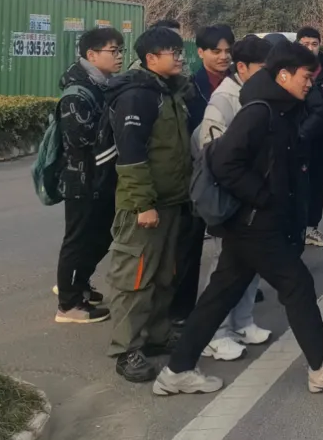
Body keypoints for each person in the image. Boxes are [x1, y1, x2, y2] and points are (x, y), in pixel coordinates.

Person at [152, 41, 323, 397]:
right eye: (305, 77)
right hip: (255, 223)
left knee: (220, 295)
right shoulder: (259, 112)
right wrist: (263, 198)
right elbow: (224, 162)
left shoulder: (283, 109)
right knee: (297, 284)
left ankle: (177, 370)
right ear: (283, 75)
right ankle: (321, 365)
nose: (310, 83)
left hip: (256, 222)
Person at [104, 26, 193, 383]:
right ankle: (126, 350)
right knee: (134, 279)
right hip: (143, 205)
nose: (180, 57)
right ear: (151, 58)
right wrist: (143, 204)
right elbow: (131, 154)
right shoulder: (138, 96)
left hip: (170, 201)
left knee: (163, 276)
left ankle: (157, 334)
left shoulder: (168, 91)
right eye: (173, 52)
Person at [191, 34, 273, 361]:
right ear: (243, 68)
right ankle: (215, 334)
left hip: (250, 195)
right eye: (264, 69)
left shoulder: (256, 94)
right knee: (222, 269)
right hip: (228, 197)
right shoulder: (224, 99)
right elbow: (213, 152)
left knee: (250, 263)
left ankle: (242, 321)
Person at [53, 27, 125, 325]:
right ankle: (68, 305)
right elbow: (81, 140)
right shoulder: (77, 93)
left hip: (99, 179)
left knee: (102, 235)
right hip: (81, 180)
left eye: (121, 50)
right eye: (113, 51)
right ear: (91, 55)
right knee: (78, 240)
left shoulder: (101, 85)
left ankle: (78, 284)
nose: (119, 56)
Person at [170, 24, 236, 327]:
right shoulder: (189, 88)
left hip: (228, 173)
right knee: (189, 244)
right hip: (196, 173)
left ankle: (230, 294)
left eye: (227, 50)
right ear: (200, 52)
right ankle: (181, 310)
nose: (223, 56)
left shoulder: (238, 83)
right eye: (216, 51)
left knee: (231, 241)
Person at [296, 27, 323, 247]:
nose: (310, 48)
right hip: (297, 138)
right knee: (296, 185)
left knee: (317, 184)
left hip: (322, 138)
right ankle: (295, 228)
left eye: (314, 44)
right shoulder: (289, 68)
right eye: (305, 44)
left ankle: (311, 227)